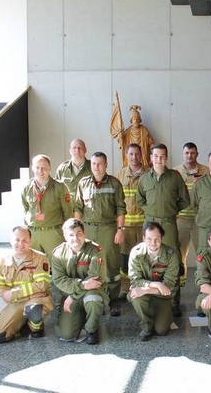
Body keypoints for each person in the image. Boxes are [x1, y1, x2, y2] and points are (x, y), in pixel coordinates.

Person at [136, 143, 189, 317]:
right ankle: (152, 296)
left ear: (166, 158)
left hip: (169, 224)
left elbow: (184, 200)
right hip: (150, 224)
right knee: (150, 259)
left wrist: (172, 211)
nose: (159, 159)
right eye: (156, 156)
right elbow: (140, 200)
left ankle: (174, 301)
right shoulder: (144, 178)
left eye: (162, 156)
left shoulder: (175, 177)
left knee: (173, 258)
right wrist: (152, 211)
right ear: (151, 158)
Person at [73, 152, 126, 316]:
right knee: (89, 263)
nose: (96, 166)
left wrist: (120, 229)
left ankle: (114, 299)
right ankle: (95, 297)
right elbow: (78, 208)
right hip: (88, 229)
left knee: (111, 264)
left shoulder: (114, 183)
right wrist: (76, 230)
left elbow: (120, 208)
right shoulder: (83, 183)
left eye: (100, 163)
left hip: (108, 229)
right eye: (94, 163)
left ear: (106, 164)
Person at [0, 226, 53, 343]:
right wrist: (22, 295)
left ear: (30, 241)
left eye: (25, 240)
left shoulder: (40, 258)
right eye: (17, 240)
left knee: (34, 309)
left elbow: (41, 285)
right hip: (17, 302)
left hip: (37, 300)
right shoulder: (2, 261)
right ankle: (22, 324)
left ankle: (36, 328)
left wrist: (14, 294)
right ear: (10, 241)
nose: (21, 244)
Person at [52, 218, 109, 345]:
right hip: (69, 294)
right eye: (71, 235)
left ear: (84, 233)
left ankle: (91, 329)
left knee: (93, 299)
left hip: (91, 291)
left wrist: (73, 297)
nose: (75, 238)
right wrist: (82, 285)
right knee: (67, 335)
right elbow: (59, 280)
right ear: (65, 236)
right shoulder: (58, 253)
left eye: (79, 233)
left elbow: (95, 280)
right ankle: (81, 316)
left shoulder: (95, 250)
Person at [127, 222, 179, 341]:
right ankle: (146, 326)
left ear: (161, 238)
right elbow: (135, 281)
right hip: (143, 293)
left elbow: (168, 287)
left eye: (157, 239)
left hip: (162, 296)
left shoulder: (170, 255)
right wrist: (155, 284)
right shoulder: (136, 253)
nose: (153, 243)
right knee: (136, 295)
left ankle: (163, 314)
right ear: (144, 238)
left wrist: (145, 289)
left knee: (162, 330)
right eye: (149, 239)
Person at [173, 142, 209, 314]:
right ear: (183, 154)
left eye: (193, 153)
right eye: (187, 153)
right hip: (181, 219)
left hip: (200, 221)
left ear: (197, 154)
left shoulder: (206, 171)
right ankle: (176, 298)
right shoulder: (175, 172)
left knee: (202, 256)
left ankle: (204, 296)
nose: (189, 156)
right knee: (179, 258)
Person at [21, 154, 72, 256]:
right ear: (32, 168)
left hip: (53, 232)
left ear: (49, 168)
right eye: (37, 167)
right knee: (34, 265)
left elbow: (67, 212)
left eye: (43, 168)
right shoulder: (27, 187)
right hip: (33, 234)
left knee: (55, 265)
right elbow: (26, 208)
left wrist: (67, 233)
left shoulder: (60, 187)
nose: (40, 171)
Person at [115, 143, 148, 297]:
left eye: (137, 154)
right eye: (131, 154)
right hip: (126, 227)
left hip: (144, 226)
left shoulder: (149, 173)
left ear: (141, 155)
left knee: (144, 258)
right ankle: (125, 288)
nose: (134, 157)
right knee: (125, 259)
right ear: (126, 155)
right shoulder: (119, 176)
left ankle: (144, 287)